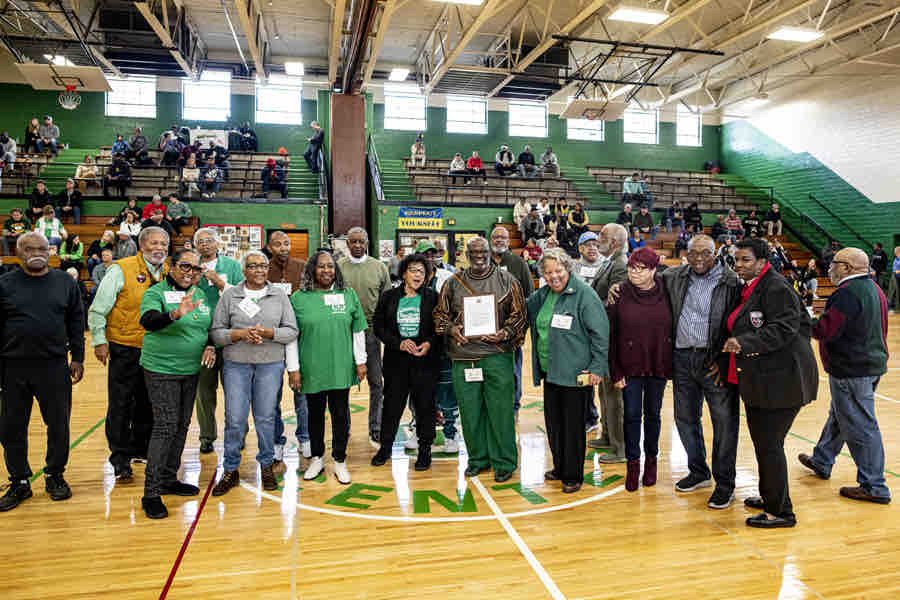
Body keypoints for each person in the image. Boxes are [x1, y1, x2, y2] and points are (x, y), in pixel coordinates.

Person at [720, 238, 818, 527]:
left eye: (746, 260)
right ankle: (771, 496)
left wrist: (744, 342)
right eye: (737, 259)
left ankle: (781, 512)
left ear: (762, 262)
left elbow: (785, 328)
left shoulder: (776, 287)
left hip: (782, 381)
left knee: (769, 445)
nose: (739, 265)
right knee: (766, 444)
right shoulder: (753, 286)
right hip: (764, 380)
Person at [799, 247, 892, 505]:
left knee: (860, 425)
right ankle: (822, 459)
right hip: (870, 365)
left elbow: (824, 330)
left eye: (834, 263)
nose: (829, 267)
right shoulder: (874, 289)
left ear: (847, 268)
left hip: (852, 369)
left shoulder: (847, 293)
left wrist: (801, 318)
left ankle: (874, 486)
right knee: (840, 416)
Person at [0, 232, 85, 512]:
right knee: (12, 427)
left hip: (54, 365)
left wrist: (78, 357)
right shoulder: (5, 283)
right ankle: (19, 481)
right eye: (29, 249)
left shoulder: (65, 282)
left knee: (58, 424)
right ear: (18, 252)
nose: (36, 253)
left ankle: (55, 475)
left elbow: (76, 321)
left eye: (42, 249)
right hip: (13, 367)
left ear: (50, 252)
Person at [434, 236, 527, 482]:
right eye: (473, 252)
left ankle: (504, 461)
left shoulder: (508, 281)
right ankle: (477, 459)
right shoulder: (452, 283)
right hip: (464, 358)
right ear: (466, 255)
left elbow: (520, 316)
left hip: (497, 356)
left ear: (490, 254)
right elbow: (440, 316)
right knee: (470, 412)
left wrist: (504, 333)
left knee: (501, 411)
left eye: (483, 252)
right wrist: (451, 329)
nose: (479, 256)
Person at [210, 251, 297, 496]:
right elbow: (216, 333)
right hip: (236, 365)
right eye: (253, 266)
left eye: (263, 266)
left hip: (270, 364)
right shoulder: (230, 295)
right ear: (244, 270)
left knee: (266, 418)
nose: (259, 270)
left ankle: (267, 465)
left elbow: (292, 330)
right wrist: (239, 334)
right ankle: (231, 469)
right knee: (235, 419)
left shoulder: (279, 295)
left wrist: (269, 333)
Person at [137, 248, 216, 519]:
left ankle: (168, 479)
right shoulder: (156, 293)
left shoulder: (200, 293)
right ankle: (151, 493)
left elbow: (207, 327)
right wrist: (174, 314)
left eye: (196, 269)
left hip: (190, 370)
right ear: (171, 266)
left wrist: (210, 345)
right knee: (166, 426)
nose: (190, 273)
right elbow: (148, 321)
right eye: (185, 266)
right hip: (162, 370)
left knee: (182, 425)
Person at [664, 234, 742, 508]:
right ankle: (698, 471)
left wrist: (724, 359)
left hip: (714, 361)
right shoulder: (674, 277)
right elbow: (645, 282)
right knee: (685, 418)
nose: (698, 258)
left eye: (705, 253)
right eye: (693, 253)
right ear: (686, 254)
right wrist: (617, 287)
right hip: (682, 358)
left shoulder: (732, 282)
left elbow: (739, 323)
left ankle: (725, 484)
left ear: (715, 254)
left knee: (724, 423)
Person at [88, 226, 170, 481]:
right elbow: (98, 308)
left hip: (157, 349)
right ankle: (120, 458)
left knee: (148, 402)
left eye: (164, 244)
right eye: (154, 243)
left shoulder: (169, 272)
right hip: (125, 347)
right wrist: (99, 341)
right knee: (121, 404)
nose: (159, 248)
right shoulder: (120, 269)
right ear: (142, 245)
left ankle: (140, 449)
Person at [527, 248, 609, 493]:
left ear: (568, 269)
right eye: (548, 272)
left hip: (575, 373)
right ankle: (561, 467)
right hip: (551, 371)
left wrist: (597, 367)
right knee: (555, 425)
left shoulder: (584, 294)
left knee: (573, 427)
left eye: (558, 270)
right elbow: (520, 309)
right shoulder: (543, 295)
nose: (554, 276)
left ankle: (573, 475)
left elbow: (601, 334)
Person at [286, 251, 368, 484]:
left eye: (330, 266)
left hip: (340, 365)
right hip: (312, 367)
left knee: (341, 415)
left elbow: (357, 330)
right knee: (314, 415)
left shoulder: (348, 294)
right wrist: (293, 368)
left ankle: (340, 460)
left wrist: (360, 361)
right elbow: (291, 336)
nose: (326, 270)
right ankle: (317, 458)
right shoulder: (299, 298)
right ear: (312, 269)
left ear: (336, 270)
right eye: (321, 266)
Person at [606, 247, 671, 492]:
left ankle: (651, 462)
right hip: (628, 366)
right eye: (631, 267)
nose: (634, 272)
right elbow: (611, 335)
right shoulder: (619, 293)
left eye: (641, 268)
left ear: (654, 270)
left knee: (653, 415)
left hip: (658, 364)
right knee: (632, 416)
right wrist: (615, 370)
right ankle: (633, 465)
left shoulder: (667, 290)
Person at [371, 253, 441, 470]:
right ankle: (385, 448)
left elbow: (440, 327)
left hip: (425, 361)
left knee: (425, 407)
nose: (417, 275)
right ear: (403, 274)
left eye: (422, 271)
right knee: (392, 407)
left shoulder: (433, 297)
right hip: (396, 361)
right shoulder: (389, 297)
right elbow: (379, 326)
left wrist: (429, 343)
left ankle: (425, 450)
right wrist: (398, 343)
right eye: (413, 270)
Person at [338, 227, 392, 447]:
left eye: (361, 241)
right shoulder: (338, 267)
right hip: (343, 331)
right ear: (347, 244)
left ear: (367, 243)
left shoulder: (379, 267)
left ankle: (375, 427)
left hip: (370, 331)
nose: (358, 245)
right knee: (341, 383)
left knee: (376, 382)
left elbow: (387, 301)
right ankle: (343, 428)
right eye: (353, 242)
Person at [193, 227, 245, 455]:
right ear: (196, 246)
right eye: (200, 241)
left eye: (209, 240)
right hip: (201, 339)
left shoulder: (232, 266)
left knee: (235, 391)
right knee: (204, 392)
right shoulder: (191, 266)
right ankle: (207, 436)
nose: (205, 244)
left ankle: (238, 434)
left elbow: (243, 297)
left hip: (231, 337)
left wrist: (219, 283)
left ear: (217, 244)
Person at [266, 231, 310, 460]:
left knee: (302, 391)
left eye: (286, 243)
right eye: (277, 244)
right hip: (271, 337)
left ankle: (305, 438)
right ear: (269, 247)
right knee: (271, 394)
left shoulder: (302, 267)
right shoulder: (264, 269)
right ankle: (276, 441)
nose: (283, 247)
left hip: (299, 337)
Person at [589, 223, 628, 457]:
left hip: (613, 338)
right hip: (603, 338)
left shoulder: (621, 265)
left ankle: (619, 446)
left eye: (602, 235)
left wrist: (590, 307)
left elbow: (617, 303)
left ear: (614, 242)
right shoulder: (610, 262)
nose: (597, 238)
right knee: (604, 392)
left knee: (614, 396)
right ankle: (607, 435)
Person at [490, 225, 533, 414]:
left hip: (512, 330)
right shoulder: (482, 263)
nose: (499, 240)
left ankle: (514, 407)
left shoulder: (518, 263)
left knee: (513, 370)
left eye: (503, 237)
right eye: (496, 237)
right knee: (491, 370)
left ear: (508, 241)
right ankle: (494, 404)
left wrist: (521, 329)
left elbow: (529, 296)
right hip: (487, 330)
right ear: (491, 241)